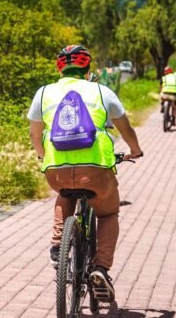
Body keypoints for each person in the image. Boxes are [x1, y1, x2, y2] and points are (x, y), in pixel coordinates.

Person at [28, 45, 143, 302]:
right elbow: (125, 129)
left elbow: (35, 135)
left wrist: (41, 154)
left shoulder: (43, 93)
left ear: (59, 69)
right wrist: (135, 150)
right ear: (88, 69)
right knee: (108, 212)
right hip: (96, 172)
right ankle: (101, 268)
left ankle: (58, 246)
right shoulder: (102, 91)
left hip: (56, 170)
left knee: (64, 195)